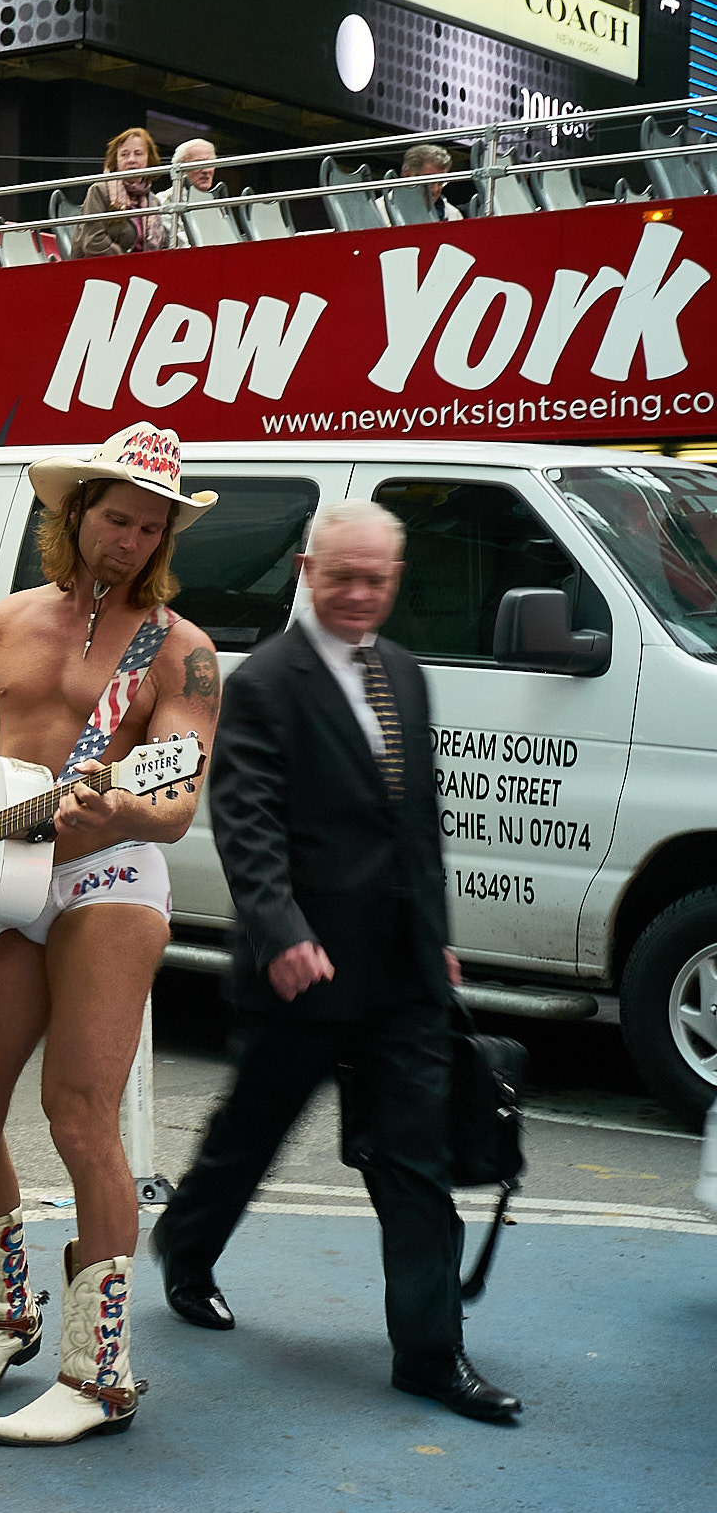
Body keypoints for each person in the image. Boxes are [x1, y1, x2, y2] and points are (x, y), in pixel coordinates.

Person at [0, 421, 222, 1444]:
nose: (133, 541)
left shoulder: (182, 652)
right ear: (73, 517)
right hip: (0, 881)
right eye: (118, 520)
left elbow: (176, 798)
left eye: (152, 528)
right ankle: (0, 1316)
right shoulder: (5, 624)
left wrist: (121, 805)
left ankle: (98, 1372)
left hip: (109, 875)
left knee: (78, 1115)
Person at [153, 501, 520, 1423]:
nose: (361, 596)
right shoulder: (269, 682)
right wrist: (282, 933)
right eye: (344, 577)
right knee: (254, 1133)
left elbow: (417, 825)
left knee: (414, 1159)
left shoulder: (405, 673)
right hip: (301, 971)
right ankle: (187, 1249)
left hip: (401, 974)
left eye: (379, 581)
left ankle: (432, 1356)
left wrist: (436, 934)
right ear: (308, 570)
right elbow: (248, 824)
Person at [74, 127, 171, 257]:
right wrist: (128, 261)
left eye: (138, 153)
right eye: (124, 154)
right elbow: (93, 242)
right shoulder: (100, 191)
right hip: (102, 269)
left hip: (144, 271)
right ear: (116, 161)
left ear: (149, 159)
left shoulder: (154, 201)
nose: (131, 159)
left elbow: (163, 245)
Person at [394, 141, 465, 222]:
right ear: (407, 175)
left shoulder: (454, 215)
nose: (435, 190)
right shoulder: (381, 212)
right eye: (429, 182)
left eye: (441, 182)